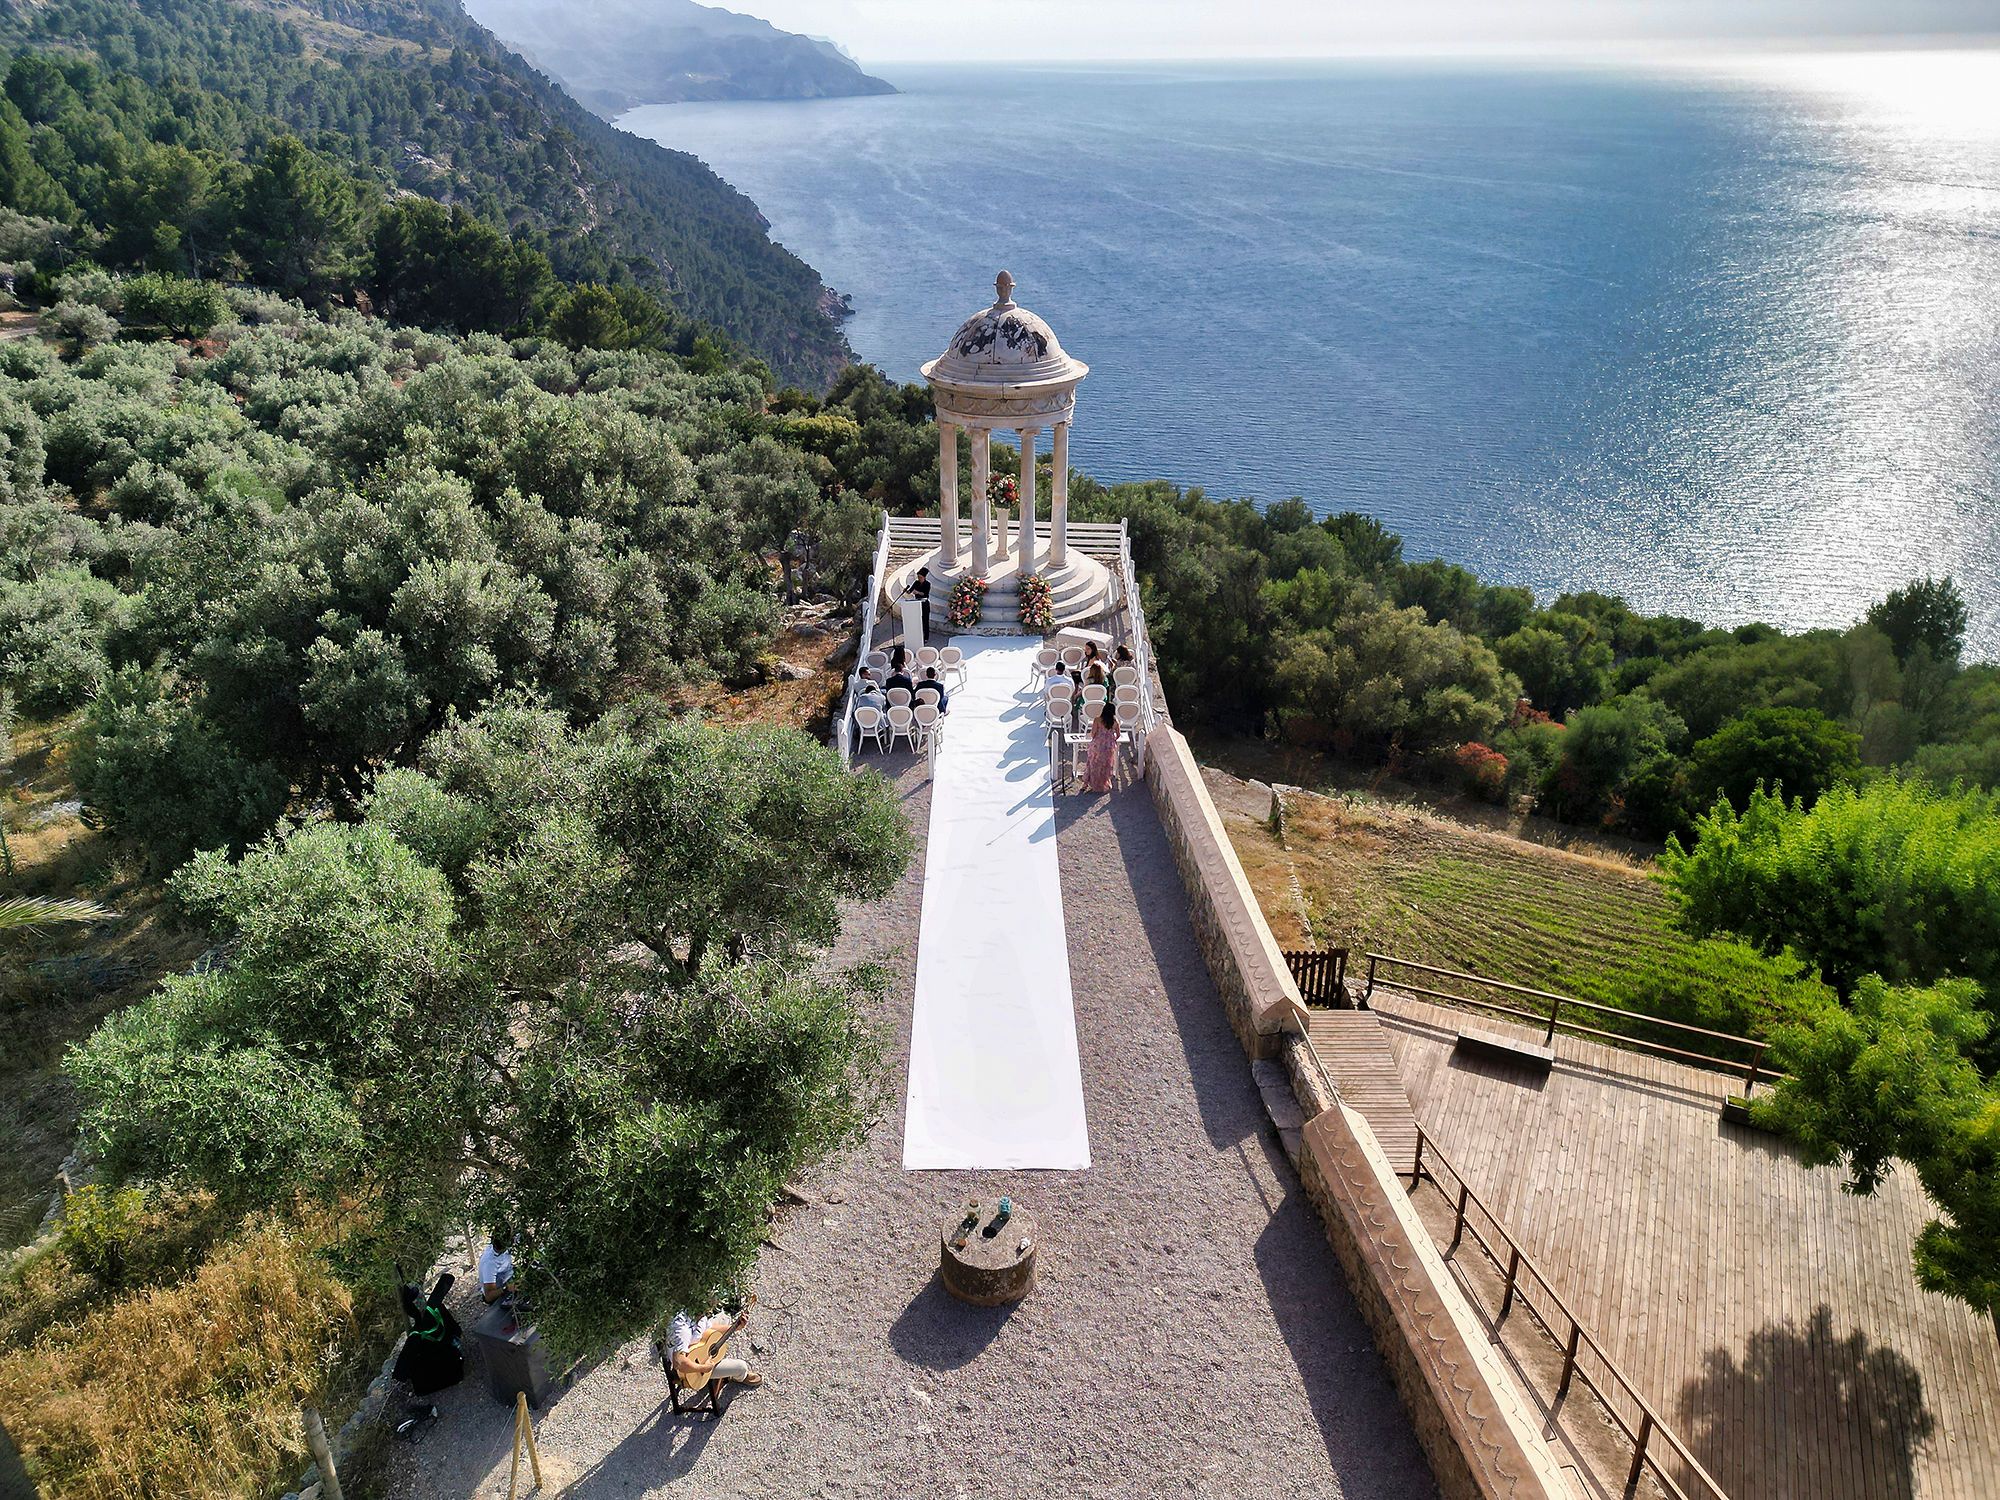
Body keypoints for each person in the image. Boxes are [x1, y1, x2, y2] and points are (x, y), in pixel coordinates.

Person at [667, 1306, 763, 1392]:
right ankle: (739, 1377)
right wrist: (704, 1368)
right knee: (742, 1367)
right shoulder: (683, 1331)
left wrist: (736, 1327)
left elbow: (710, 1328)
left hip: (698, 1349)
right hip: (693, 1370)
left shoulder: (695, 1311)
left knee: (724, 1318)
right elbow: (679, 1363)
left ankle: (720, 1372)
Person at [1082, 701, 1120, 793]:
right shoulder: (1115, 722)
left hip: (1098, 745)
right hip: (1108, 746)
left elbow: (1093, 733)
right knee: (1105, 765)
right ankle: (1103, 783)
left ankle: (1086, 784)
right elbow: (1118, 735)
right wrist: (1111, 739)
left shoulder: (1097, 720)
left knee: (1092, 764)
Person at [478, 1225, 515, 1304]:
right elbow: (489, 1297)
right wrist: (506, 1288)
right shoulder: (490, 1263)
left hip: (510, 1279)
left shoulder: (506, 1244)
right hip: (500, 1295)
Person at [909, 566, 933, 641]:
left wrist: (917, 592)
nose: (919, 578)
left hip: (924, 603)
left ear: (924, 577)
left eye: (920, 577)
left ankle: (926, 637)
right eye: (918, 577)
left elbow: (925, 594)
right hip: (917, 603)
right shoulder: (916, 583)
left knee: (925, 621)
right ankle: (918, 635)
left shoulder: (927, 584)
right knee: (918, 620)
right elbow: (910, 590)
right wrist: (907, 591)